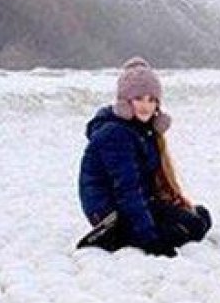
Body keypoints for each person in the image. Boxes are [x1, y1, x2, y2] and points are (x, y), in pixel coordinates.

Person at [77, 57, 212, 257]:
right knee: (182, 230)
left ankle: (138, 231)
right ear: (125, 101)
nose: (145, 106)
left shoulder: (143, 131)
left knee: (199, 220)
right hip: (109, 211)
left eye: (151, 100)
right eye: (139, 98)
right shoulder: (115, 133)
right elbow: (127, 189)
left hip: (137, 202)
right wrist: (150, 240)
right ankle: (115, 237)